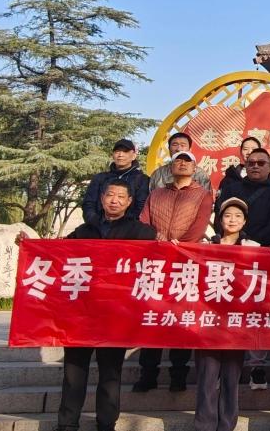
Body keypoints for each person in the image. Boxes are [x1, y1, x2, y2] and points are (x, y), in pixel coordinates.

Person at [29, 180, 154, 431]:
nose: (114, 200)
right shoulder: (84, 230)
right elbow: (56, 253)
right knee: (73, 371)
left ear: (129, 202)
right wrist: (30, 246)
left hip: (115, 316)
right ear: (102, 198)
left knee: (111, 373)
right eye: (110, 195)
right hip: (81, 315)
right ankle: (67, 424)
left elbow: (154, 258)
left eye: (121, 196)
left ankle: (106, 424)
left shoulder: (140, 232)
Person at [135, 151, 214, 393]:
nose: (182, 164)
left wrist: (179, 247)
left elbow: (199, 228)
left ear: (194, 168)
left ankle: (178, 375)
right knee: (152, 318)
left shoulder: (203, 195)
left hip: (184, 264)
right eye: (178, 160)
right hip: (156, 263)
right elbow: (143, 222)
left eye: (187, 161)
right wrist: (157, 239)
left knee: (181, 319)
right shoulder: (156, 194)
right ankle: (148, 374)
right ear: (171, 166)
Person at [195, 197, 259, 431]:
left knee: (231, 378)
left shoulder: (254, 247)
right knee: (207, 377)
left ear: (245, 221)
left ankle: (226, 425)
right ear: (220, 220)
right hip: (208, 322)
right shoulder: (204, 245)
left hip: (236, 323)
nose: (232, 220)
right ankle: (204, 425)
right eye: (228, 216)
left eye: (238, 216)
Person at [82, 138, 150, 227]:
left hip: (128, 230)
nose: (120, 155)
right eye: (117, 151)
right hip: (98, 228)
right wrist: (96, 224)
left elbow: (141, 208)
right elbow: (88, 204)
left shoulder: (142, 180)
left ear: (134, 155)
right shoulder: (100, 178)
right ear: (113, 155)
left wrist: (121, 227)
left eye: (125, 151)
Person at [233, 147, 270, 247]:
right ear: (246, 166)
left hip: (262, 249)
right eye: (251, 163)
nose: (255, 166)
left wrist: (252, 243)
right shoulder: (232, 189)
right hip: (232, 246)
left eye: (261, 163)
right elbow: (221, 218)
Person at [217, 137, 263, 207]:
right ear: (241, 152)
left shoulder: (266, 178)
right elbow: (219, 205)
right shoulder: (230, 177)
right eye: (245, 149)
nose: (249, 152)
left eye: (254, 149)